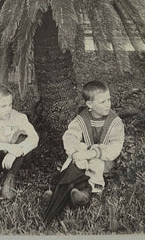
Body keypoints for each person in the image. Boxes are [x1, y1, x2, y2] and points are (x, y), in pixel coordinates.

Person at [43, 80, 124, 208]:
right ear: (89, 104)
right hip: (81, 156)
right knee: (73, 157)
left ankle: (85, 194)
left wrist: (91, 153)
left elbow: (115, 146)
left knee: (95, 164)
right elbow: (70, 136)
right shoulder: (81, 119)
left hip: (103, 159)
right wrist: (76, 154)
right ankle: (57, 190)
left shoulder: (115, 122)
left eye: (108, 100)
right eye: (102, 102)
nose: (107, 105)